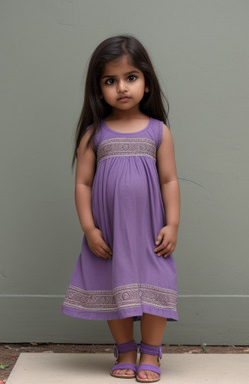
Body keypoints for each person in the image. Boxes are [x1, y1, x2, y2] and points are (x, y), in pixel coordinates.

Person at [62, 35, 180, 383]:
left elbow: (170, 180)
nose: (121, 87)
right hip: (109, 232)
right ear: (98, 89)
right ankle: (126, 349)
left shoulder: (159, 132)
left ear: (146, 82)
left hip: (149, 231)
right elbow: (82, 184)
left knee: (155, 287)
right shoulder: (93, 134)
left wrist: (172, 224)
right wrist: (89, 228)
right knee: (115, 287)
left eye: (131, 77)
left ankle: (152, 353)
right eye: (110, 81)